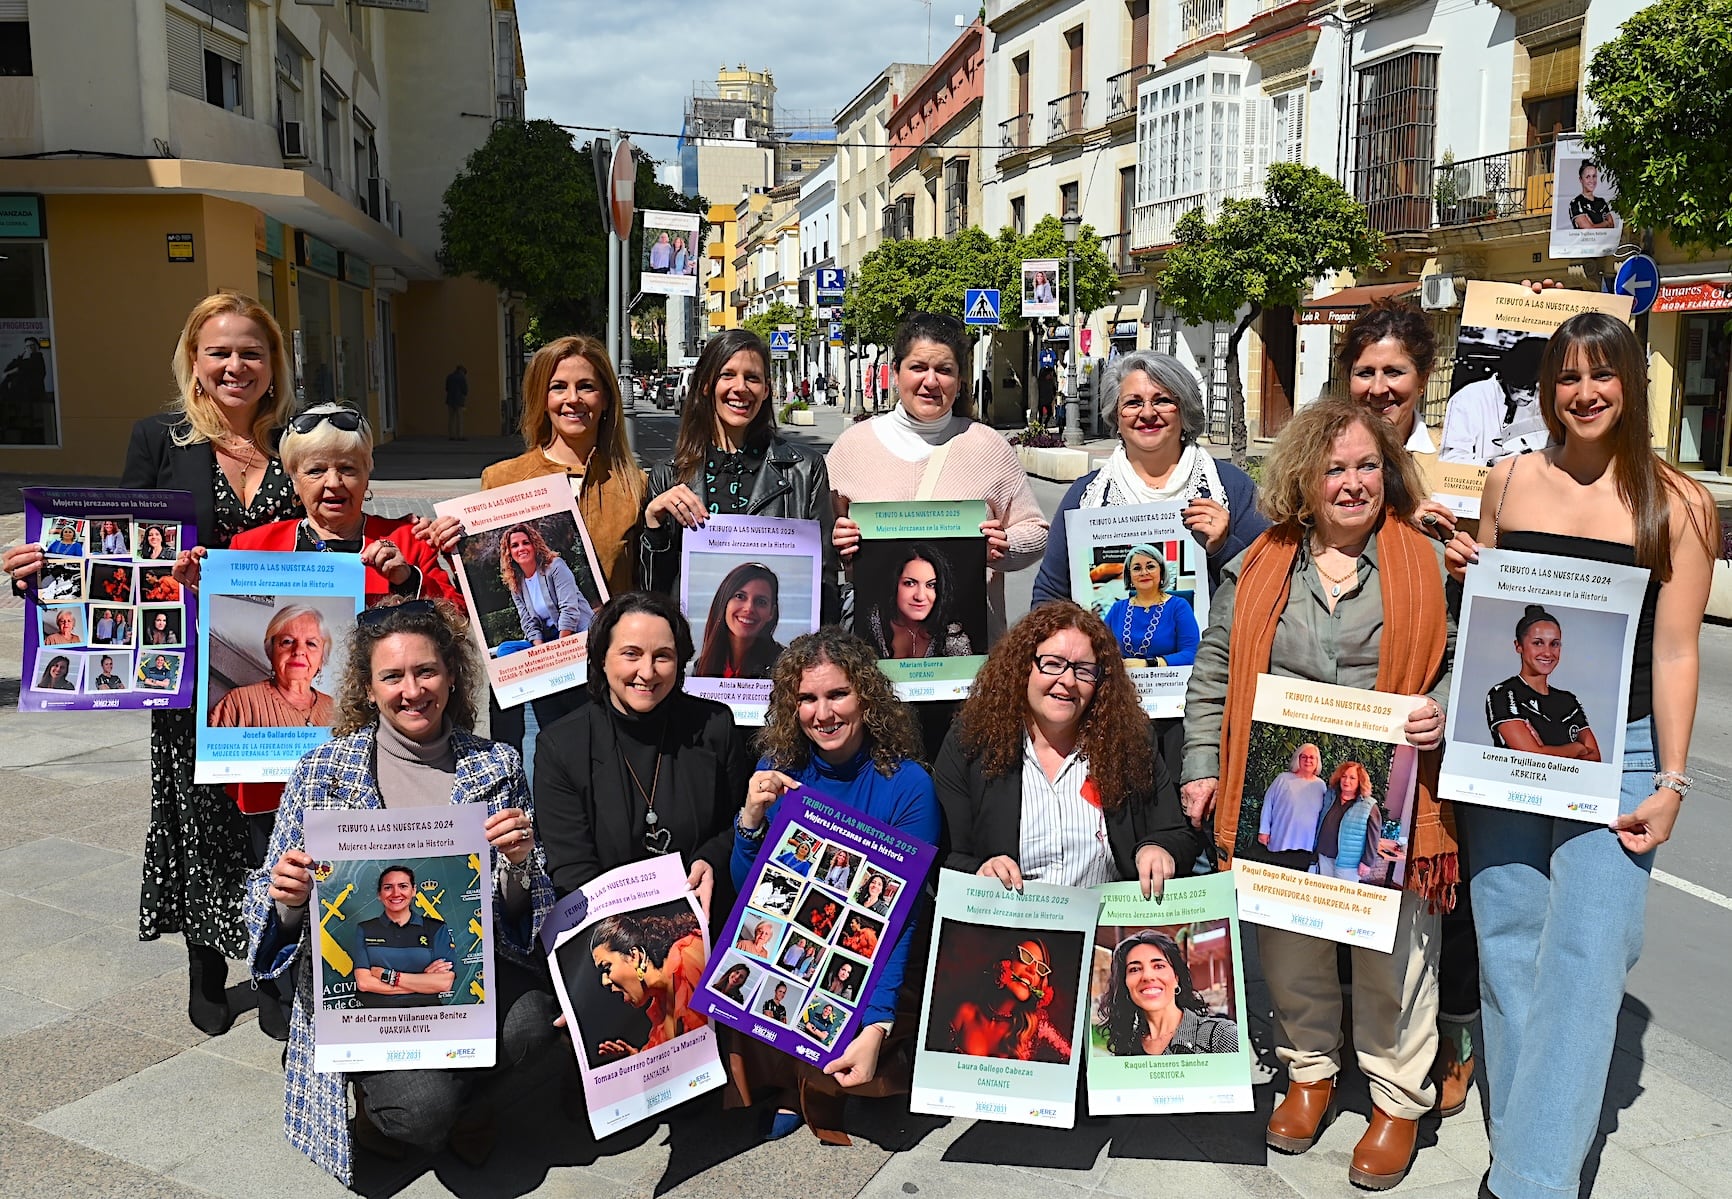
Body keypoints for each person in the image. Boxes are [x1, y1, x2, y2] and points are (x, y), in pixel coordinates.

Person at [1446, 311, 1718, 1199]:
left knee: (1589, 958)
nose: (1585, 392)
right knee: (1509, 946)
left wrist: (1671, 779)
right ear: (1547, 388)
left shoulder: (1678, 504)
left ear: (1633, 384)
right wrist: (1469, 572)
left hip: (1622, 748)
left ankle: (1529, 1179)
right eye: (1568, 376)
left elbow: (1677, 652)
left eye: (1603, 374)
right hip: (1506, 753)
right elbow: (1492, 612)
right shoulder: (1510, 480)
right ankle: (1533, 1149)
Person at [0, 294, 301, 1037]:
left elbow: (339, 525)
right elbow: (116, 550)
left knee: (282, 820)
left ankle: (276, 962)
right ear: (194, 361)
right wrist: (47, 570)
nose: (235, 365)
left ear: (274, 364)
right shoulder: (160, 439)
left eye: (251, 351)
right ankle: (206, 962)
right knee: (201, 818)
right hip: (192, 675)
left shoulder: (298, 439)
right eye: (219, 351)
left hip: (286, 674)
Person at [1180, 396, 1457, 1190]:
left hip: (1390, 785)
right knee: (1291, 938)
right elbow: (1215, 669)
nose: (1353, 482)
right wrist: (1202, 764)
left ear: (1388, 472)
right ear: (1304, 478)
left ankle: (1397, 1098)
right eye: (1335, 468)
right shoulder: (1260, 561)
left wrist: (1439, 703)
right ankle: (1309, 1071)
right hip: (1287, 782)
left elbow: (1458, 657)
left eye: (1368, 465)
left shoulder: (1424, 561)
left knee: (1393, 951)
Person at [245, 598, 556, 1182]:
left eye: (426, 671)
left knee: (535, 1026)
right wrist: (287, 900)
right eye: (392, 676)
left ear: (452, 675)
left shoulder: (497, 765)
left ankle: (471, 1103)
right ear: (368, 688)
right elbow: (263, 894)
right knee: (419, 1111)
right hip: (365, 986)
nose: (412, 691)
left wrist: (518, 865)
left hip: (465, 968)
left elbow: (521, 910)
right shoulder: (321, 771)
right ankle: (388, 1110)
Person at [1340, 297, 1480, 1111]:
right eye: (1365, 371)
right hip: (1352, 700)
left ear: (1423, 377)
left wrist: (1468, 561)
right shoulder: (1332, 453)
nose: (1380, 386)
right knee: (1352, 869)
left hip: (1435, 697)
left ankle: (1452, 1032)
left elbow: (1507, 582)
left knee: (1439, 874)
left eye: (1395, 370)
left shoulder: (1460, 473)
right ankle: (1360, 1032)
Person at [727, 628, 941, 1143]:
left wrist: (878, 1023)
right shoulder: (776, 770)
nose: (822, 713)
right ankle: (791, 1079)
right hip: (797, 940)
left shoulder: (908, 785)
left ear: (865, 696)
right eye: (807, 698)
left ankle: (833, 1076)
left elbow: (902, 917)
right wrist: (750, 820)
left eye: (838, 694)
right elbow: (752, 893)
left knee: (849, 1025)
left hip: (874, 949)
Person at [426, 337, 645, 785]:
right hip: (535, 682)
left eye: (586, 386)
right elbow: (481, 592)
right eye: (558, 387)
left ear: (606, 398)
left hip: (608, 673)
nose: (572, 399)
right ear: (542, 399)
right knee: (535, 788)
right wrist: (454, 551)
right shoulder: (502, 478)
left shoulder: (635, 485)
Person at [828, 312, 1047, 755]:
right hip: (875, 668)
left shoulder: (987, 446)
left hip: (968, 667)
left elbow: (1035, 530)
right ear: (896, 372)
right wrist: (838, 543)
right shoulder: (852, 448)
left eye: (944, 369)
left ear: (960, 380)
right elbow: (821, 540)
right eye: (918, 367)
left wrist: (1006, 546)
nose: (931, 381)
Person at [936, 601, 1197, 898]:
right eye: (1052, 664)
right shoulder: (972, 742)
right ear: (1023, 666)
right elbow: (943, 855)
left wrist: (1158, 849)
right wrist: (979, 871)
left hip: (1105, 919)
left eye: (1084, 670)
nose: (1068, 681)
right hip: (1010, 919)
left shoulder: (1128, 743)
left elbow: (1177, 835)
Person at [534, 591, 750, 922]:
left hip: (705, 918)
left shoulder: (714, 725)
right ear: (601, 658)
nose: (647, 673)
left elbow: (739, 822)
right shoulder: (561, 746)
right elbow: (571, 870)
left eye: (662, 656)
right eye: (631, 654)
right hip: (608, 928)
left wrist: (711, 859)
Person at [1032, 350, 1267, 606]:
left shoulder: (1231, 488)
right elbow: (1049, 596)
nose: (1147, 413)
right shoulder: (1085, 496)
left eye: (1162, 400)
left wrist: (1223, 548)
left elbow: (1270, 585)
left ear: (1184, 410)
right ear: (1116, 415)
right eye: (1133, 403)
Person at [179, 403, 461, 608]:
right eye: (316, 471)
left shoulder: (409, 542)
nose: (334, 482)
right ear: (294, 480)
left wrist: (408, 581)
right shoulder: (252, 548)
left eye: (348, 469)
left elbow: (457, 620)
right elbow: (229, 632)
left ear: (367, 474)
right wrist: (205, 590)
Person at [640, 328, 838, 614]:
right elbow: (653, 597)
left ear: (766, 389)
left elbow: (824, 582)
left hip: (785, 641)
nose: (740, 387)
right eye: (727, 375)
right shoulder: (667, 476)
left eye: (752, 378)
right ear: (706, 385)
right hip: (693, 640)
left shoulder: (805, 470)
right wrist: (653, 525)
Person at [1095, 929, 1241, 1056]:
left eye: (1159, 966)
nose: (1147, 976)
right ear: (1125, 984)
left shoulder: (1222, 1036)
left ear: (1176, 978)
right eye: (1135, 969)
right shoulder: (1126, 1047)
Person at [1484, 604, 1600, 760]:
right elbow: (1532, 758)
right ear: (1518, 646)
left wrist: (1544, 750)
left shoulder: (1568, 701)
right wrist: (1576, 748)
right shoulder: (1503, 693)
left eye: (1554, 644)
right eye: (1538, 643)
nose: (1547, 653)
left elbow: (1595, 758)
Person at [588, 910, 708, 1057]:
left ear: (634, 956)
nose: (604, 981)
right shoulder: (660, 1010)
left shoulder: (690, 956)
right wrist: (641, 1061)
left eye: (607, 968)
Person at [209, 605, 335, 728]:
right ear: (271, 652)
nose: (298, 651)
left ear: (321, 659)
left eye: (311, 644)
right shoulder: (238, 702)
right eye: (287, 641)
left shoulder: (334, 709)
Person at [947, 938, 1072, 1062]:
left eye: (1041, 968)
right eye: (1026, 957)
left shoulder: (1038, 1028)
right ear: (1006, 959)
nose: (1032, 970)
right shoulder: (964, 1013)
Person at [351, 865, 459, 1008]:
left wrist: (388, 976)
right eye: (388, 887)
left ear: (413, 890)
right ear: (379, 894)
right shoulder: (365, 929)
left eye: (403, 886)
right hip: (377, 1016)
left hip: (426, 1016)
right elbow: (364, 983)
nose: (396, 893)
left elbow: (444, 983)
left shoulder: (436, 928)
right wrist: (423, 982)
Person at [1441, 335, 1551, 467]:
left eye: (1539, 390)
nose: (1532, 397)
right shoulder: (1469, 399)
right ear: (1513, 377)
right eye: (1528, 388)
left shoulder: (1539, 401)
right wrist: (1491, 463)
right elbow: (1449, 459)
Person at [861, 543, 974, 660]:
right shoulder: (872, 621)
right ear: (893, 584)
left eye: (930, 585)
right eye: (910, 583)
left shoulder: (952, 637)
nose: (920, 596)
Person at [1102, 546, 1198, 668]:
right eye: (1137, 568)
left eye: (1150, 566)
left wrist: (1149, 663)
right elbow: (1100, 648)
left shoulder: (1179, 606)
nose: (1144, 572)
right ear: (1129, 575)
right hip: (1124, 677)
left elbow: (1191, 653)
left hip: (1167, 677)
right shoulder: (1118, 608)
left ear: (1161, 572)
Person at [499, 522, 592, 645]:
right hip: (547, 639)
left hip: (574, 630)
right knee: (505, 649)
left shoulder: (555, 566)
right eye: (515, 545)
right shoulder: (516, 584)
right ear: (509, 552)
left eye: (526, 543)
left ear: (534, 545)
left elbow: (569, 609)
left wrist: (561, 647)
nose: (521, 548)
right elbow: (528, 623)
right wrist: (542, 650)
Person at [693, 561, 785, 679]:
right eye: (740, 596)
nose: (749, 608)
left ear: (771, 612)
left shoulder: (785, 668)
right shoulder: (701, 667)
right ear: (724, 602)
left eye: (761, 602)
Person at [1314, 762, 1392, 882]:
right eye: (1344, 776)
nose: (1346, 781)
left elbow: (1373, 838)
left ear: (1360, 781)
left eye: (1352, 778)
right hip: (1324, 856)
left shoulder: (1369, 805)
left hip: (1349, 864)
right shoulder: (1330, 796)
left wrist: (1367, 862)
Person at [1256, 743, 1329, 868]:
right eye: (1304, 757)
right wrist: (1264, 830)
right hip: (1281, 841)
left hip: (1306, 846)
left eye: (1312, 757)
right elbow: (1268, 803)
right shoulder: (1283, 779)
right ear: (1297, 759)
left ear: (1317, 761)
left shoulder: (1321, 785)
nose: (1308, 760)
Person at [1569, 160, 1616, 230]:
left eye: (1594, 176)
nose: (1592, 180)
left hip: (1605, 237)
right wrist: (1606, 223)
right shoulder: (1576, 203)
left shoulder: (1601, 202)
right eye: (1588, 177)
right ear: (1581, 179)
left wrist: (1594, 225)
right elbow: (1588, 229)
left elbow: (1611, 225)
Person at [444, 363, 468, 440]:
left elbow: (446, 388)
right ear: (461, 371)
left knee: (451, 419)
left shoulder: (449, 377)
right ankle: (460, 436)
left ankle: (451, 435)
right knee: (459, 419)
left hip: (450, 400)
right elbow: (465, 390)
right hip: (459, 400)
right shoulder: (462, 378)